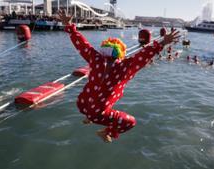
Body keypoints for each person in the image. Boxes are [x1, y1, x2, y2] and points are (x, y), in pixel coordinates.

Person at [59, 10, 180, 142]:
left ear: (103, 52)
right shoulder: (123, 68)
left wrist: (69, 26)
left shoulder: (96, 59)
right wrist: (162, 43)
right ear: (120, 56)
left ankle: (89, 117)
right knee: (130, 122)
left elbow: (82, 45)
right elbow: (142, 56)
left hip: (82, 104)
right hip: (99, 113)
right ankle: (106, 132)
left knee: (98, 101)